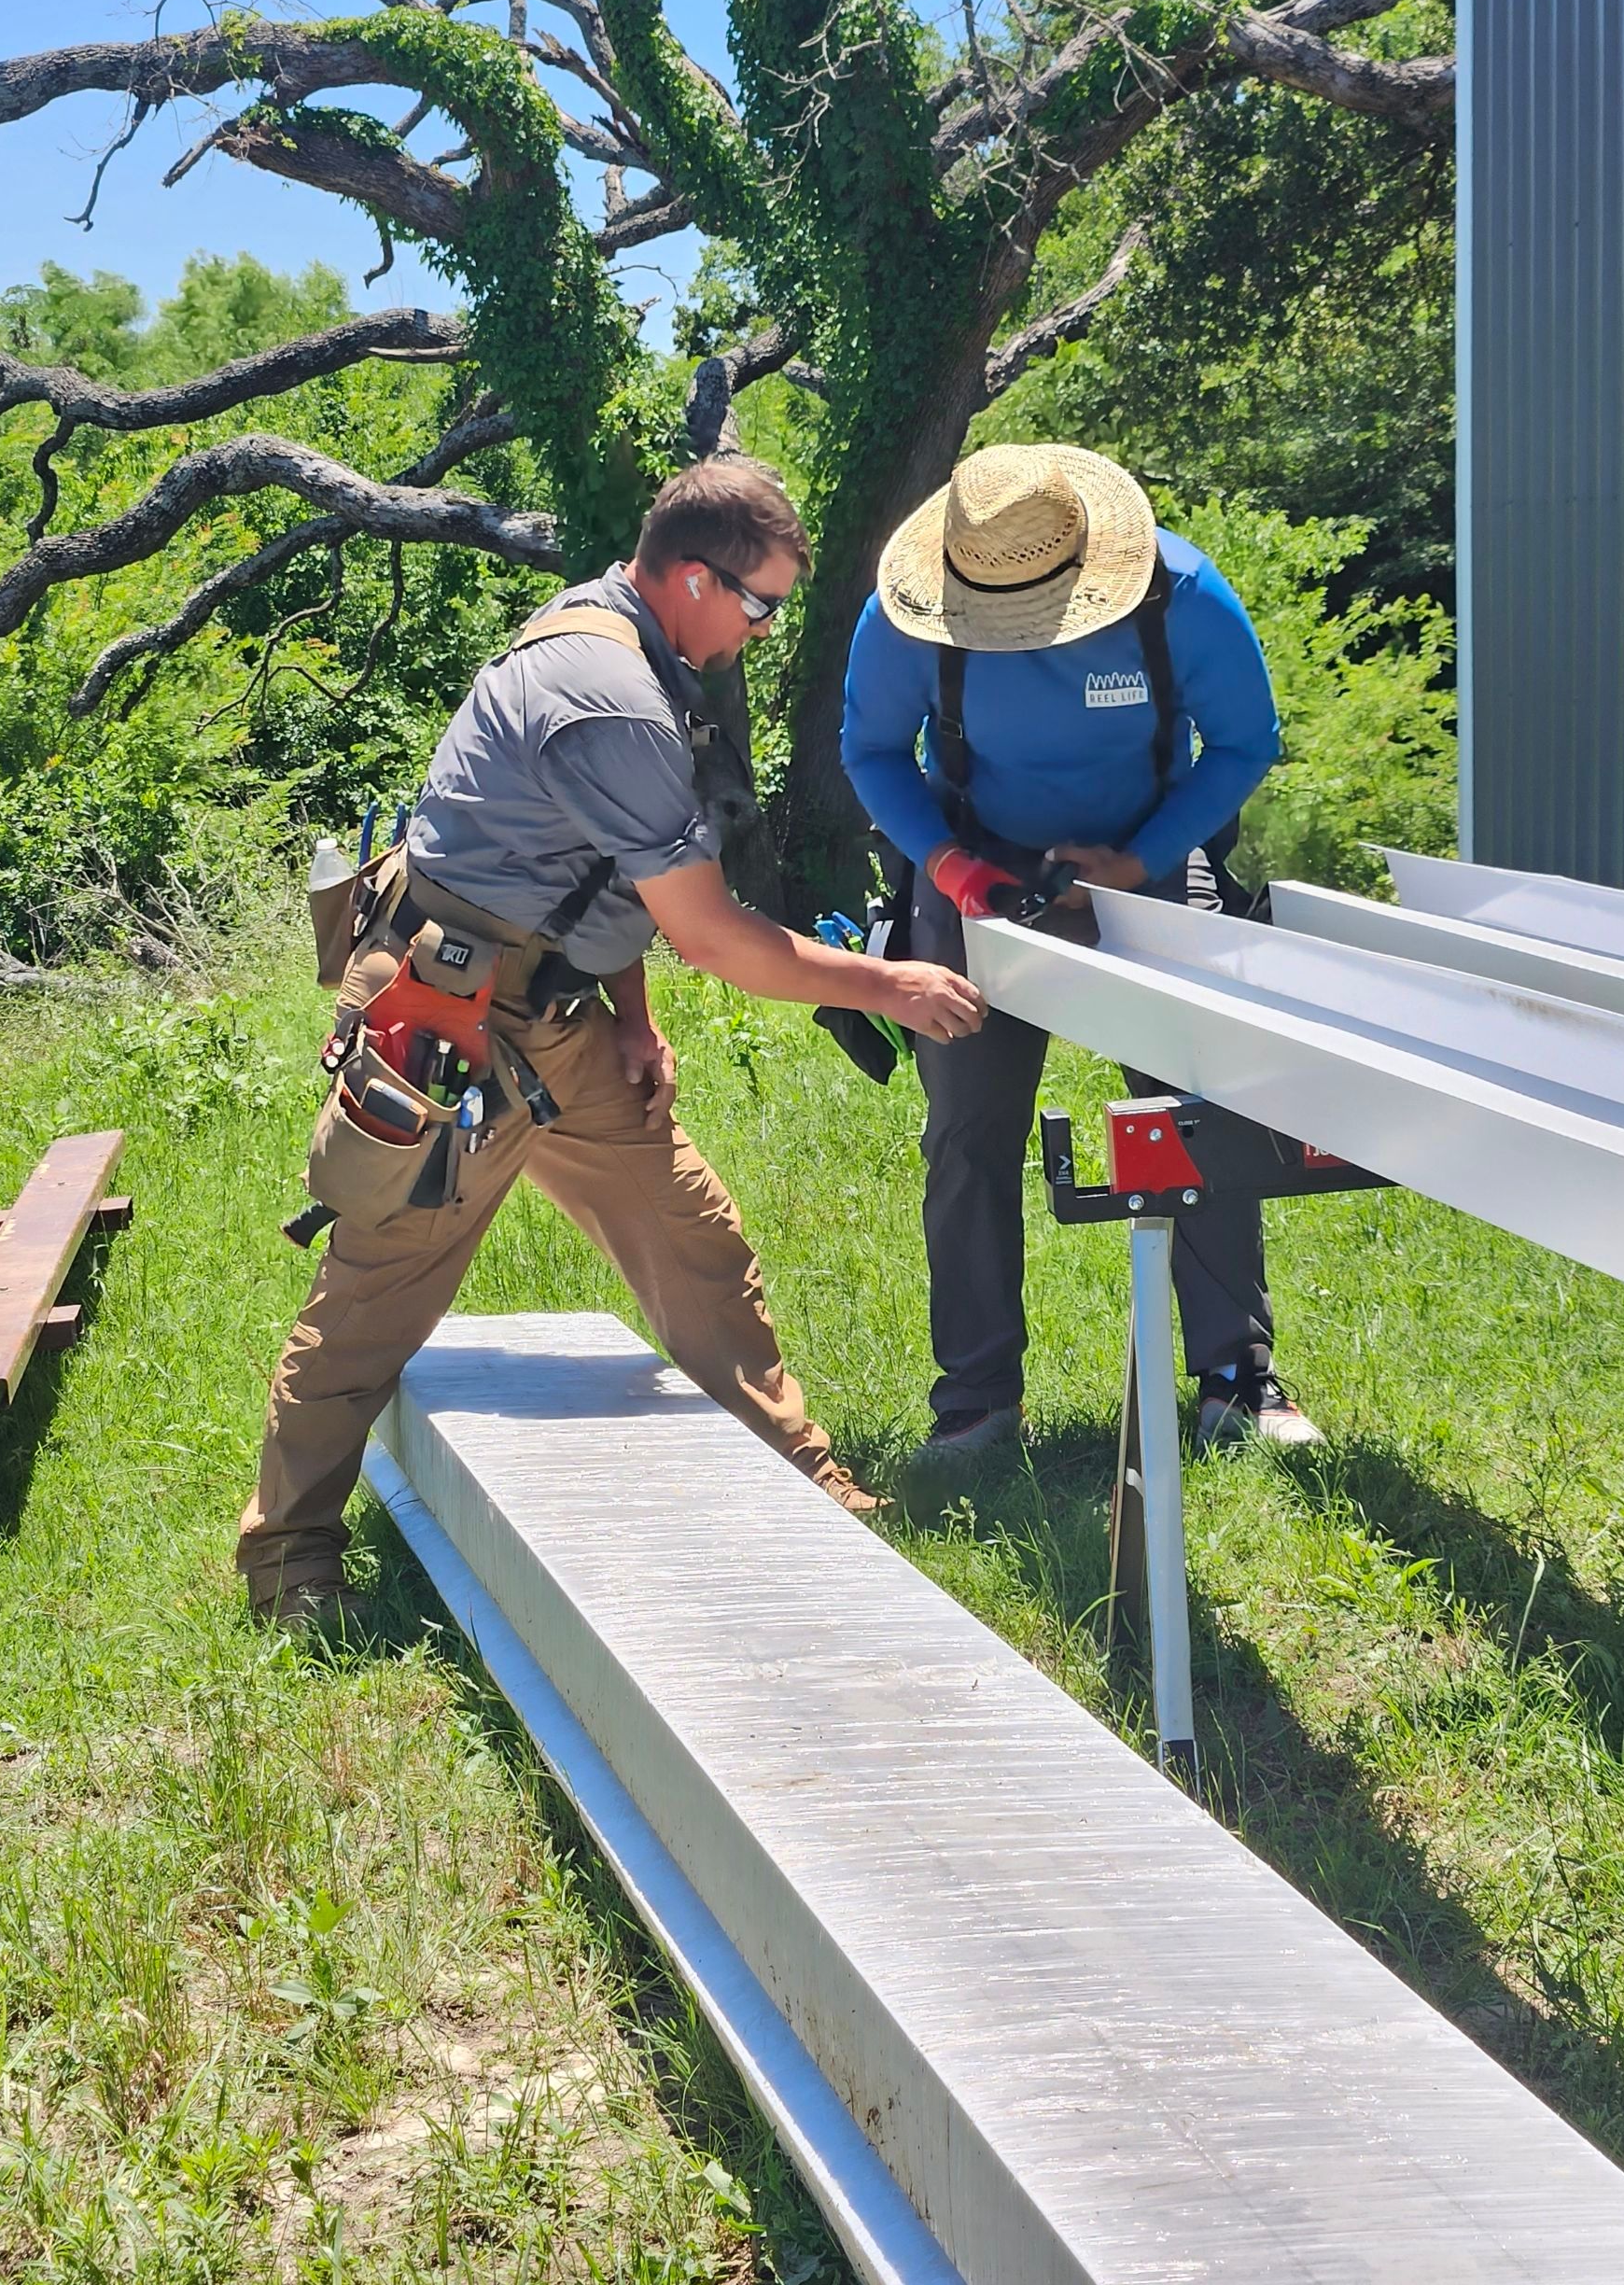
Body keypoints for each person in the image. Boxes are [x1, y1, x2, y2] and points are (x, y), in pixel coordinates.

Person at [241, 457, 984, 1633]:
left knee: (691, 1233)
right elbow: (711, 931)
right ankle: (289, 1567)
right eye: (762, 605)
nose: (763, 630)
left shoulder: (626, 637)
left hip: (552, 1011)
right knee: (379, 1286)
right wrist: (885, 983)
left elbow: (601, 877)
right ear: (695, 576)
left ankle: (804, 1484)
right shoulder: (611, 697)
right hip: (453, 1024)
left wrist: (634, 1021)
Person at [841, 440, 1320, 1504]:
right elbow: (870, 752)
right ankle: (976, 1400)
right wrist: (954, 867)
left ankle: (1236, 1380)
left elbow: (1243, 746)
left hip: (1144, 864)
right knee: (967, 1133)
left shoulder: (1182, 599)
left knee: (1200, 1114)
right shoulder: (905, 616)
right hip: (974, 876)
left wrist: (1140, 862)